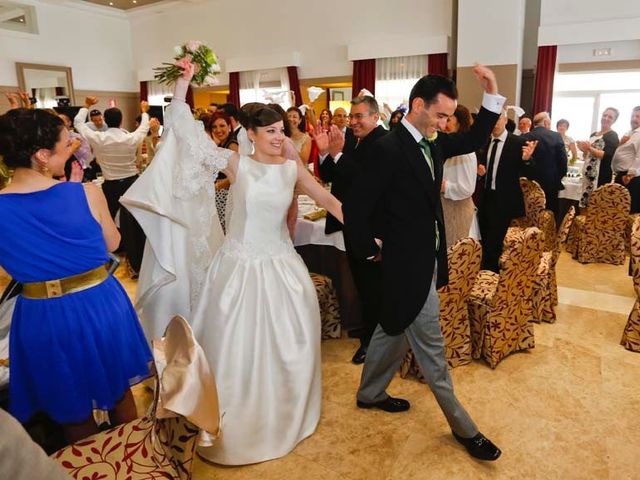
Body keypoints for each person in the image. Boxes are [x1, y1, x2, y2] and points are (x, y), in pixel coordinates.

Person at [123, 63, 343, 465]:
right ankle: (238, 423)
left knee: (289, 345)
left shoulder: (293, 169)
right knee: (236, 349)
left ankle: (287, 414)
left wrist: (369, 231)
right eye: (272, 131)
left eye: (282, 130)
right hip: (238, 271)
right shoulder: (236, 163)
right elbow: (185, 132)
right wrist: (184, 83)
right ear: (252, 135)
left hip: (282, 270)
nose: (281, 137)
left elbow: (328, 200)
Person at [343, 66, 504, 461]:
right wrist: (368, 251)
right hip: (405, 266)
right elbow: (357, 208)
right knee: (433, 350)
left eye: (448, 116)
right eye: (440, 114)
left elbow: (472, 138)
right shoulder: (387, 148)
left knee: (391, 327)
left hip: (427, 259)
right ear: (418, 106)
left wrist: (491, 95)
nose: (445, 122)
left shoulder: (434, 142)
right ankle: (465, 428)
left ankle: (369, 392)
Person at [0, 108, 151, 443]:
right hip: (98, 303)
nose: (72, 148)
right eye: (66, 144)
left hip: (41, 313)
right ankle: (131, 460)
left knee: (68, 404)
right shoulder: (84, 192)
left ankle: (89, 467)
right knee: (118, 393)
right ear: (42, 155)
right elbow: (113, 242)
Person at [315, 96, 387, 364]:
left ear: (375, 117)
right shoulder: (356, 140)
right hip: (354, 223)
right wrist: (324, 152)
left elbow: (364, 180)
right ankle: (369, 328)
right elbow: (334, 176)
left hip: (372, 226)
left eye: (360, 117)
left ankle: (375, 341)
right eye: (352, 117)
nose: (354, 122)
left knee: (373, 287)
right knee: (361, 281)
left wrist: (337, 154)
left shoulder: (383, 142)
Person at [74, 98, 150, 278]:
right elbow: (144, 127)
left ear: (106, 121)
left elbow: (78, 123)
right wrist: (144, 110)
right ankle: (136, 263)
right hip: (132, 184)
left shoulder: (99, 138)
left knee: (108, 222)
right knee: (133, 225)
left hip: (110, 186)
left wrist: (86, 106)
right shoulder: (130, 138)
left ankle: (111, 257)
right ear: (121, 120)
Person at [478, 111, 537, 272]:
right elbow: (483, 166)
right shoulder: (486, 141)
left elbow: (532, 173)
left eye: (498, 118)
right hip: (485, 197)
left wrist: (527, 160)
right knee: (485, 238)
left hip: (504, 200)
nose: (495, 123)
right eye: (492, 119)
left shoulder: (517, 142)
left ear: (505, 119)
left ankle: (491, 276)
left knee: (494, 242)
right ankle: (487, 274)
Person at [441, 104, 479, 247]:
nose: (444, 124)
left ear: (459, 122)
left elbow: (468, 188)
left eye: (449, 120)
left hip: (458, 211)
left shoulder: (465, 152)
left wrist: (443, 186)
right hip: (449, 208)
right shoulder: (450, 146)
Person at [522, 112, 568, 218]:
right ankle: (549, 233)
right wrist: (558, 176)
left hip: (530, 183)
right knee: (549, 214)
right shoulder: (556, 136)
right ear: (547, 122)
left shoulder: (525, 137)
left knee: (530, 213)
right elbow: (563, 161)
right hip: (550, 182)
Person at [577, 107, 620, 208]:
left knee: (595, 205)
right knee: (584, 202)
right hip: (588, 175)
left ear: (614, 121)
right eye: (605, 115)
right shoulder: (593, 134)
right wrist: (584, 150)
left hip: (600, 175)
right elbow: (587, 156)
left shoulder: (613, 135)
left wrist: (589, 148)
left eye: (610, 117)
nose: (606, 118)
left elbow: (607, 155)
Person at [612, 106, 640, 213]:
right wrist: (621, 143)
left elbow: (639, 156)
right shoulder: (630, 133)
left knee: (627, 212)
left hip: (629, 178)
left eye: (638, 117)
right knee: (618, 210)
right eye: (632, 116)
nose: (634, 119)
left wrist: (629, 175)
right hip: (622, 176)